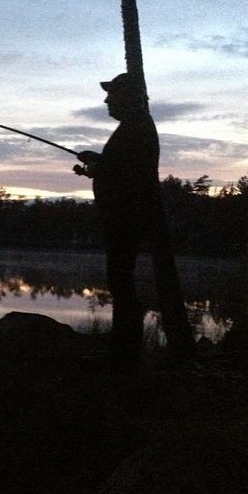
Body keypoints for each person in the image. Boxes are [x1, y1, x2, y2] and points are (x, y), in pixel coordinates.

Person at [74, 72, 159, 371]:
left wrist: (99, 165)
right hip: (124, 218)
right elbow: (120, 167)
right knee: (120, 283)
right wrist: (96, 164)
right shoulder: (135, 127)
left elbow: (125, 173)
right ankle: (123, 354)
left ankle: (123, 357)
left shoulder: (135, 127)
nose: (107, 100)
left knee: (121, 285)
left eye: (112, 94)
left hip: (126, 219)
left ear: (129, 97)